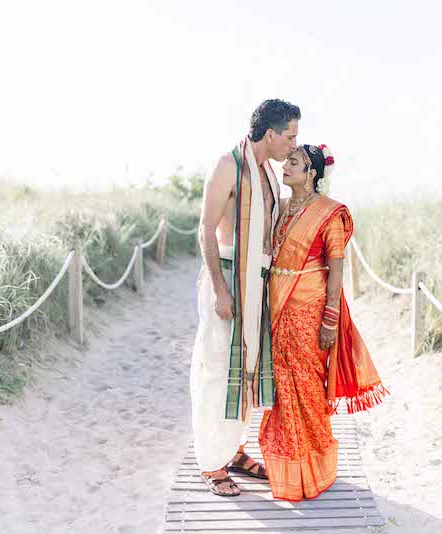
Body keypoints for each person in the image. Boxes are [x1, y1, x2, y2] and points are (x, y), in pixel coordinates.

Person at [258, 144, 388, 501]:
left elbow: (336, 269)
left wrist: (330, 318)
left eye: (294, 162)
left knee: (307, 388)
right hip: (278, 305)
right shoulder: (282, 208)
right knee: (283, 388)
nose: (286, 166)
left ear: (312, 173)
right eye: (287, 161)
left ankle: (314, 471)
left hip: (310, 309)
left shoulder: (330, 214)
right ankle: (288, 467)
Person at [191, 99, 300, 496]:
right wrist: (221, 289)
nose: (292, 145)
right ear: (270, 134)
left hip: (256, 283)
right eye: (290, 136)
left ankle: (234, 449)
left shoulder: (268, 174)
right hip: (227, 281)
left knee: (246, 368)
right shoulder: (227, 165)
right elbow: (205, 229)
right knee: (218, 369)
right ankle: (211, 464)